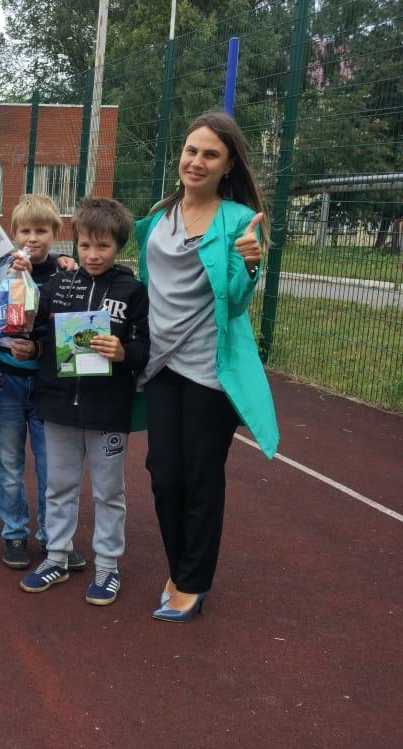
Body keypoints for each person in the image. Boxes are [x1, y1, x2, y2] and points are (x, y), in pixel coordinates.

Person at [136, 110, 278, 621]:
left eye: (211, 155)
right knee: (163, 475)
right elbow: (147, 287)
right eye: (191, 150)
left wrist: (250, 264)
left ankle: (192, 581)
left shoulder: (239, 220)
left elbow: (235, 303)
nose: (197, 161)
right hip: (160, 366)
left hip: (210, 371)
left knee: (200, 476)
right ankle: (180, 567)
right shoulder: (158, 216)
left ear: (228, 165)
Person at [19, 197, 149, 605]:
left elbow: (146, 347)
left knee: (108, 491)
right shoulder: (58, 285)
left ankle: (107, 566)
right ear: (75, 243)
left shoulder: (132, 291)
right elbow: (41, 336)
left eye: (103, 246)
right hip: (59, 405)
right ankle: (56, 557)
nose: (93, 255)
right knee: (59, 486)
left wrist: (123, 352)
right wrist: (32, 348)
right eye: (86, 245)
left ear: (118, 246)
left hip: (108, 410)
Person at [0, 193, 87, 572]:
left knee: (53, 469)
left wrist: (53, 279)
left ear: (55, 233)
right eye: (25, 231)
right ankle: (14, 533)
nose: (33, 238)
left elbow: (71, 322)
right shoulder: (0, 270)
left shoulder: (66, 274)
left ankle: (53, 537)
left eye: (41, 231)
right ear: (12, 233)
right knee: (9, 464)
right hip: (6, 382)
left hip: (48, 386)